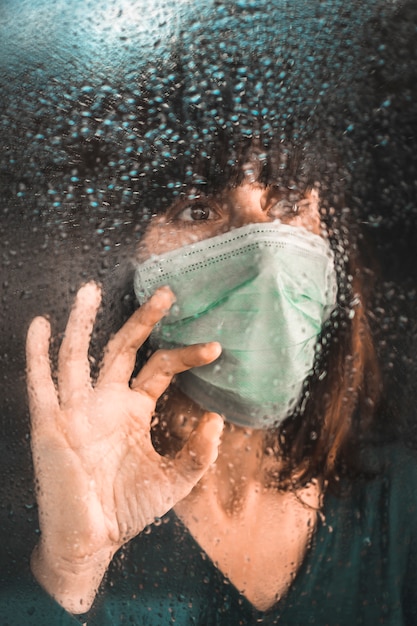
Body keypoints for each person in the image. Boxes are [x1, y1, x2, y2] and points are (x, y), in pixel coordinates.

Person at [3, 142, 417, 626]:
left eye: (286, 204)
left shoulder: (399, 498)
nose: (264, 247)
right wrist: (70, 571)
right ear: (127, 262)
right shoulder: (62, 499)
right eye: (198, 209)